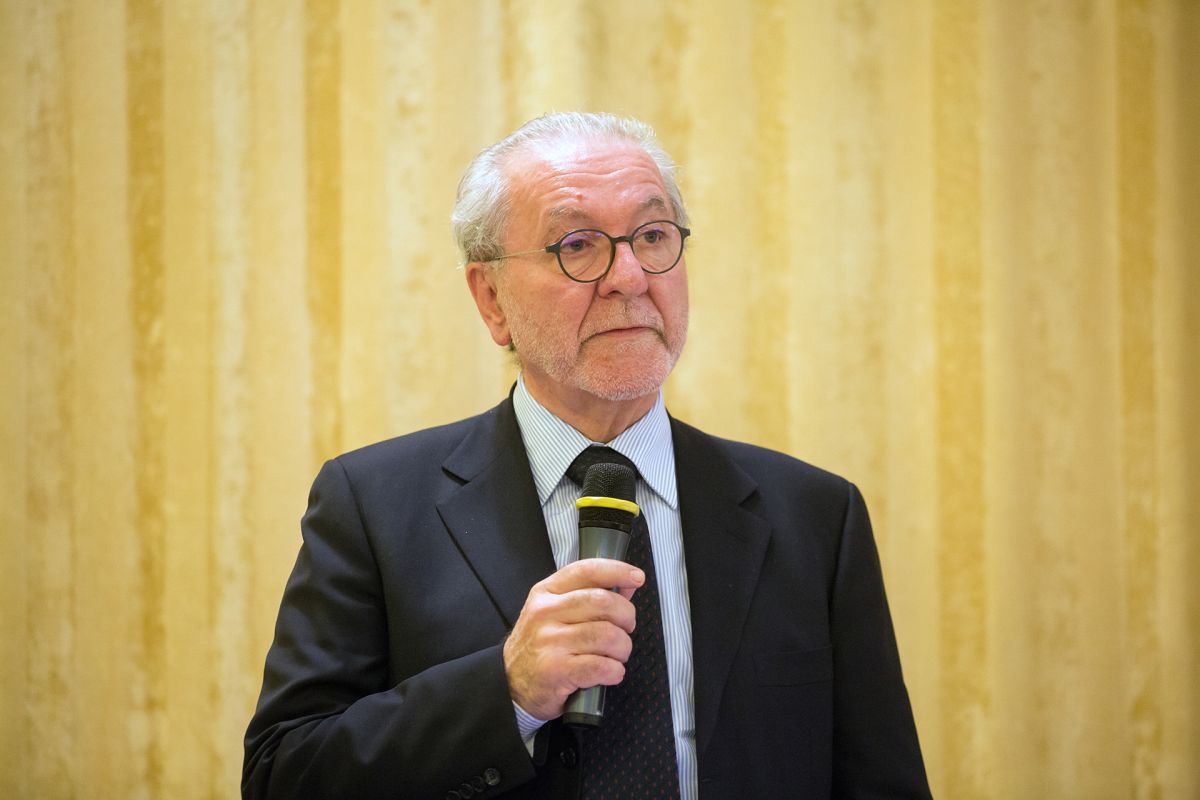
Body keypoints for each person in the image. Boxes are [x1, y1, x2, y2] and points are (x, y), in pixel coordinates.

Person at [243, 112, 931, 800]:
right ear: (491, 299)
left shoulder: (815, 515)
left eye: (653, 236)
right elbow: (283, 774)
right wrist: (504, 692)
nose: (629, 276)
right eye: (577, 245)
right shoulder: (373, 506)